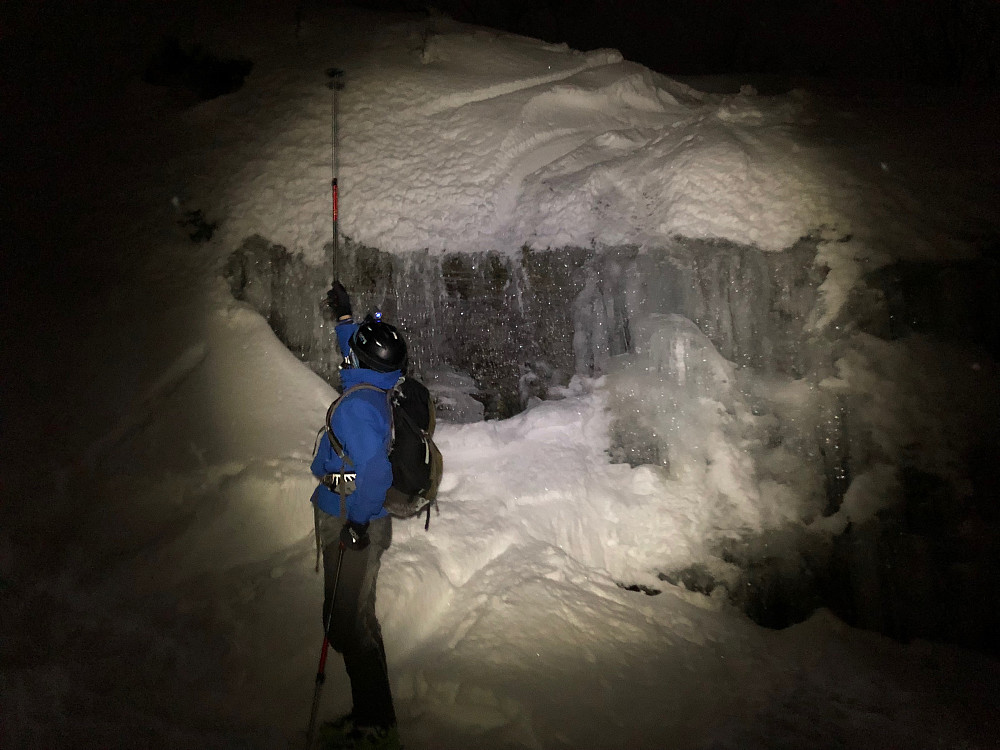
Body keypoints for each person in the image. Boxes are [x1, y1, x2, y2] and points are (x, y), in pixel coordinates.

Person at [310, 281, 405, 749]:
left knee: (345, 624)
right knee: (356, 617)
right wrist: (345, 320)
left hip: (352, 520)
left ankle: (375, 724)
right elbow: (356, 357)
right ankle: (376, 716)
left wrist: (358, 525)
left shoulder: (356, 410)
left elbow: (374, 470)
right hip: (353, 513)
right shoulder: (375, 385)